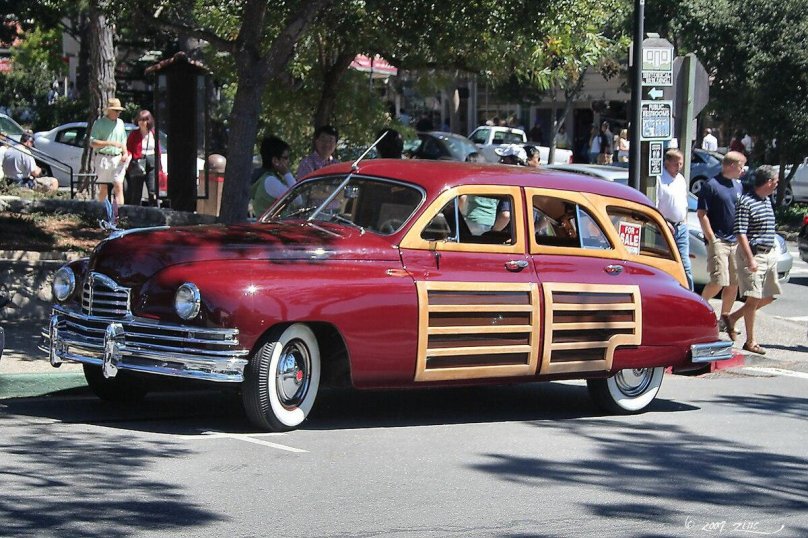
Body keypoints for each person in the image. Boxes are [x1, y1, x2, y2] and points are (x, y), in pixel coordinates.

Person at [722, 166, 781, 355]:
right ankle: (750, 341)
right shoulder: (746, 202)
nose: (777, 184)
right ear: (769, 182)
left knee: (770, 295)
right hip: (753, 255)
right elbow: (740, 233)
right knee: (753, 298)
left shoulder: (767, 200)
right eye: (776, 181)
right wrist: (750, 259)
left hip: (769, 254)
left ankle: (732, 318)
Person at [697, 151, 746, 336]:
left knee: (733, 284)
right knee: (718, 281)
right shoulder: (711, 185)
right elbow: (702, 214)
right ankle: (699, 307)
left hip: (735, 241)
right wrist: (711, 238)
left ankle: (725, 319)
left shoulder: (738, 186)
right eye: (741, 166)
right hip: (718, 240)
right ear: (731, 166)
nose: (743, 170)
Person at [656, 148, 693, 289]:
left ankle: (691, 295)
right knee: (666, 265)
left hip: (681, 227)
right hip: (665, 227)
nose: (678, 167)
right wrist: (664, 223)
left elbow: (684, 203)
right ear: (667, 162)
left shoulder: (681, 179)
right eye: (675, 164)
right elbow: (655, 204)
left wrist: (685, 221)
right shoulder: (660, 179)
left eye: (681, 164)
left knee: (686, 266)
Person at [90, 97, 130, 206]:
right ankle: (103, 212)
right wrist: (109, 143)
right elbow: (92, 142)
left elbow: (123, 140)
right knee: (103, 187)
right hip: (103, 158)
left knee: (118, 185)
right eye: (116, 110)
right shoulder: (99, 123)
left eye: (120, 111)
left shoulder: (120, 123)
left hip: (117, 158)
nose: (118, 113)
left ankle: (119, 215)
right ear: (109, 110)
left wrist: (125, 153)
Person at [250, 135, 296, 217]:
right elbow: (298, 200)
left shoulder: (267, 178)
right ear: (275, 160)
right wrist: (286, 173)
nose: (288, 161)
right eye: (285, 158)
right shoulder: (270, 181)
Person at [125, 109, 161, 206]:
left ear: (149, 121)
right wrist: (127, 159)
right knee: (136, 192)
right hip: (138, 163)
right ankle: (134, 215)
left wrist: (160, 166)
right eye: (140, 120)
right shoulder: (134, 134)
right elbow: (128, 149)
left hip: (152, 163)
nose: (142, 122)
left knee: (152, 191)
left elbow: (158, 150)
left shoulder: (153, 133)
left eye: (144, 120)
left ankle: (154, 213)